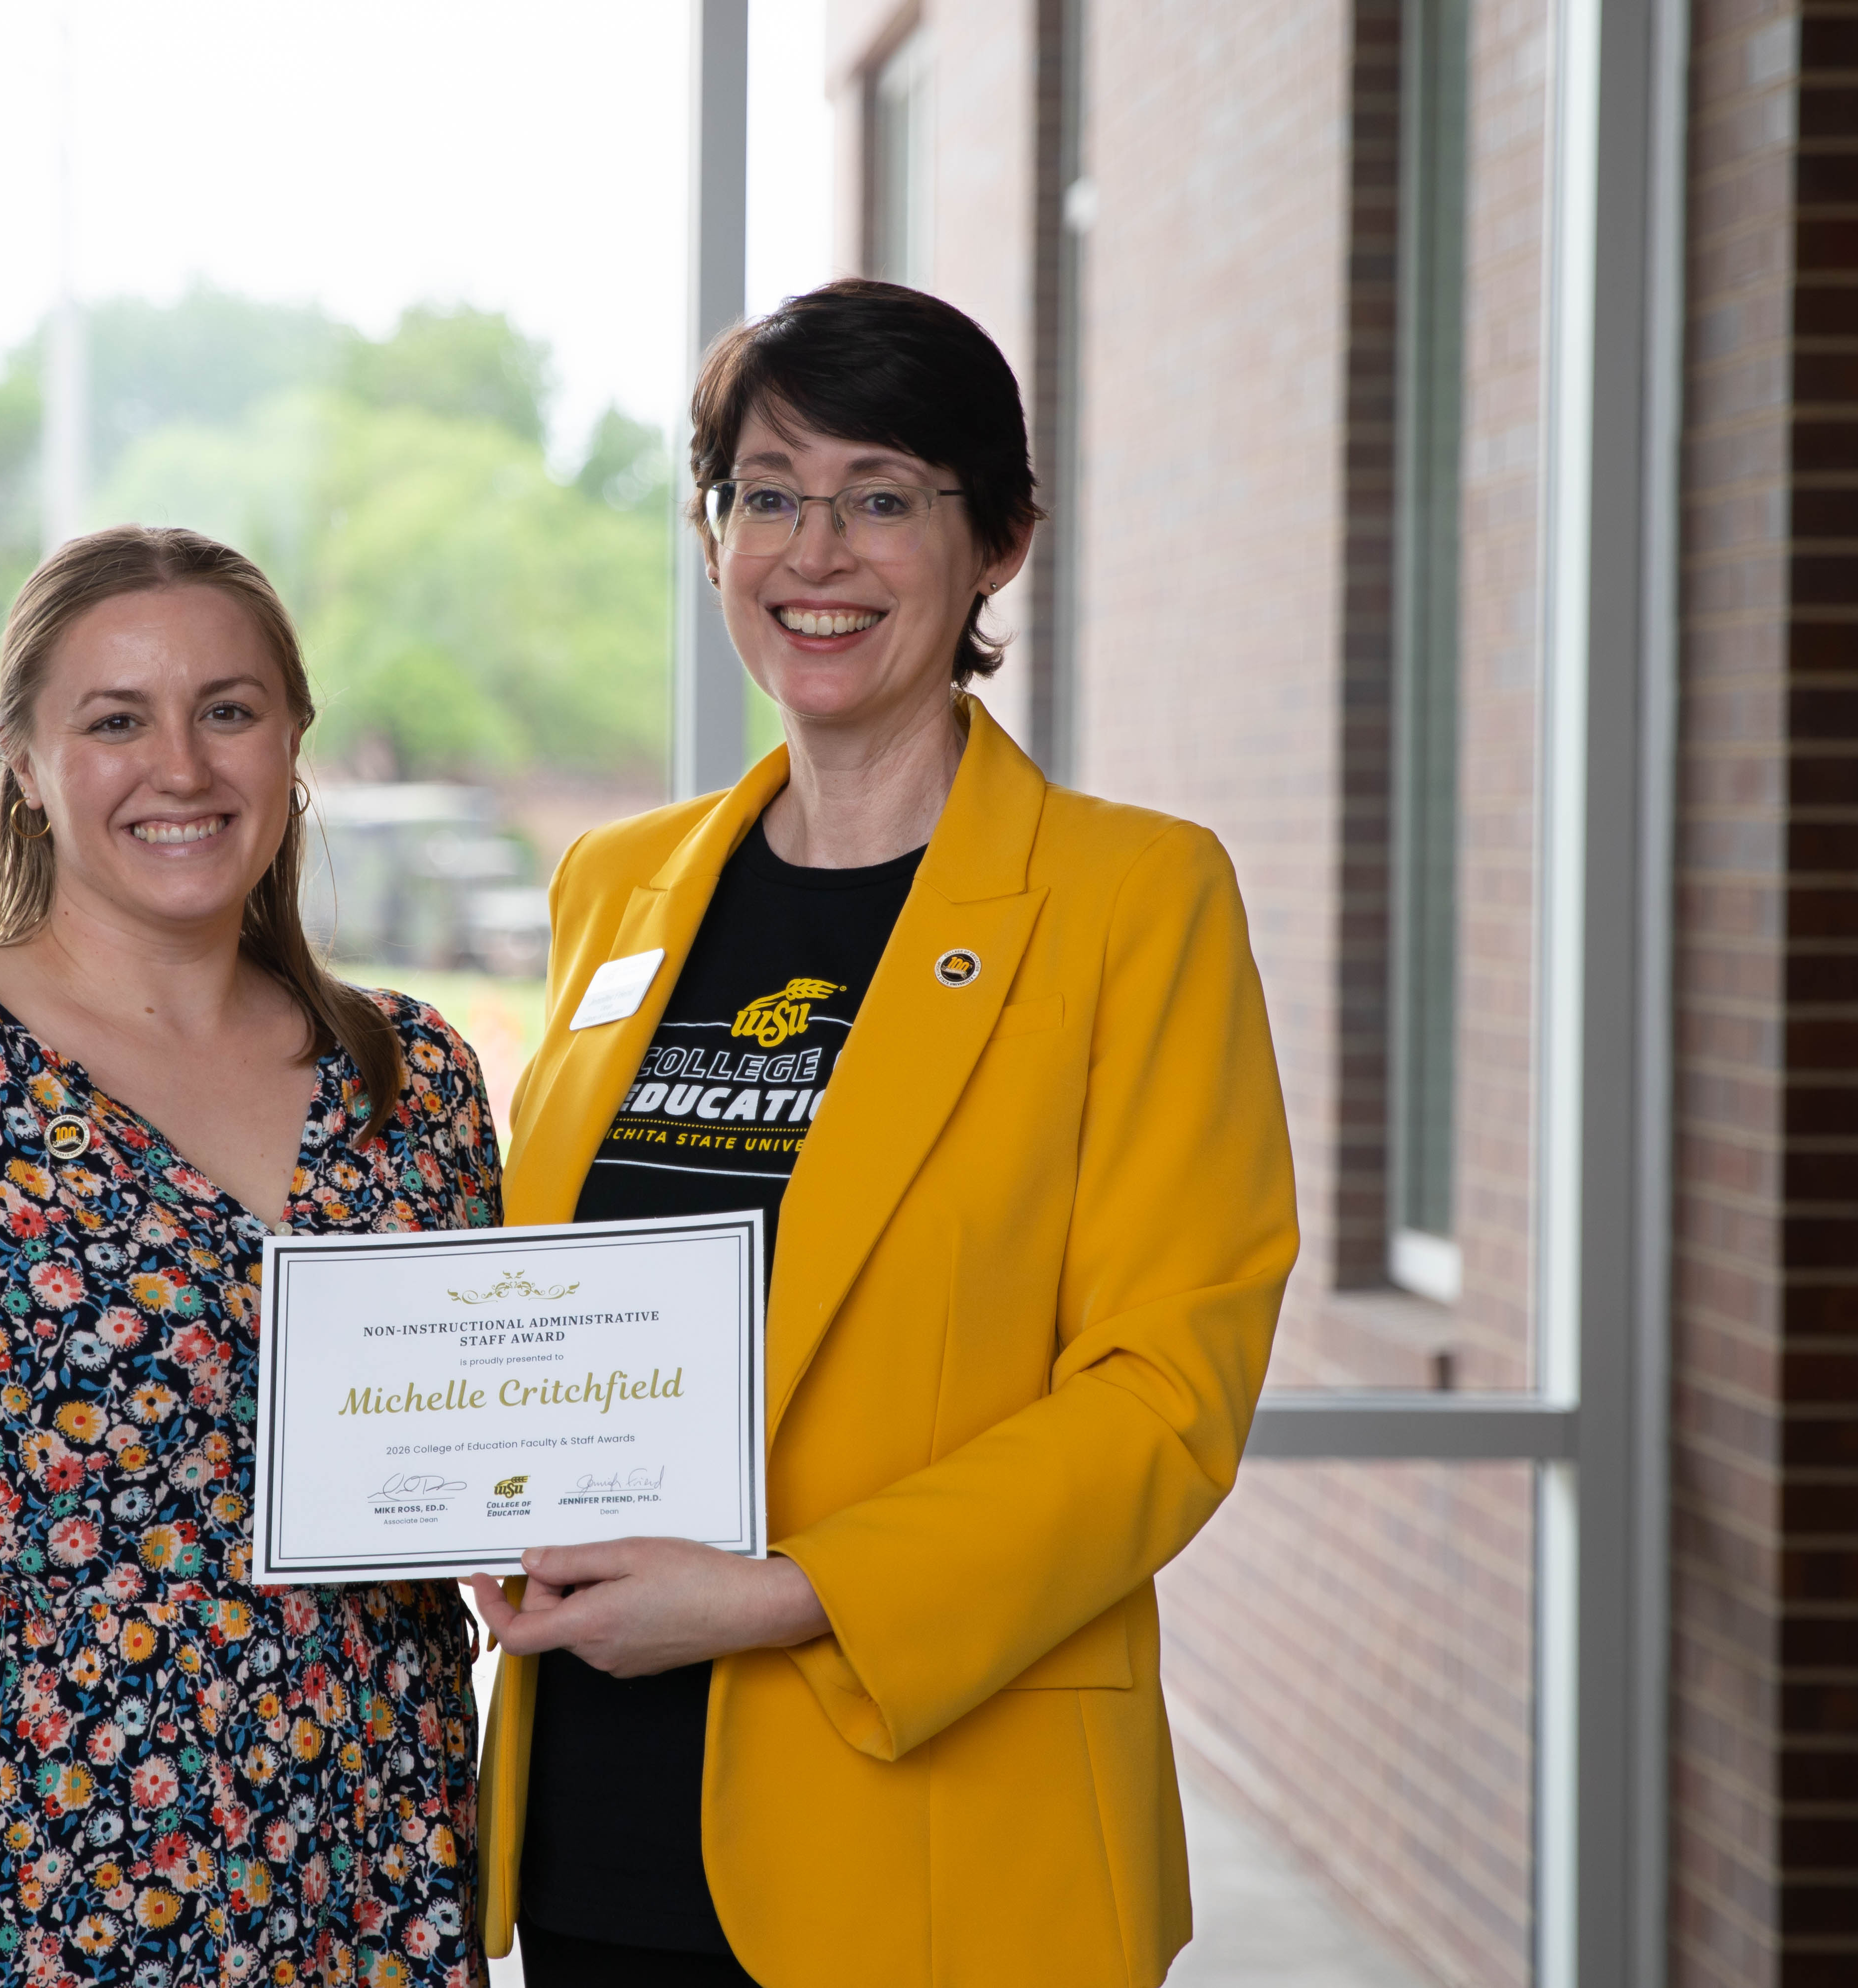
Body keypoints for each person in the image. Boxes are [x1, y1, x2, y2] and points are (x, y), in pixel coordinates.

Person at [465, 280, 1298, 1987]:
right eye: (764, 494)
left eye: (880, 496)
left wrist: (784, 1595)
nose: (813, 550)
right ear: (712, 543)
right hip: (599, 1819)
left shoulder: (1131, 901)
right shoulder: (616, 889)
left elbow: (1164, 1397)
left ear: (995, 543)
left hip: (938, 1836)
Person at [0, 525, 499, 1988]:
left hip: (375, 1878)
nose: (179, 767)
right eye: (114, 720)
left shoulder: (411, 1076)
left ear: (293, 741)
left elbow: (478, 1463)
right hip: (47, 1891)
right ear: (26, 762)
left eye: (228, 710)